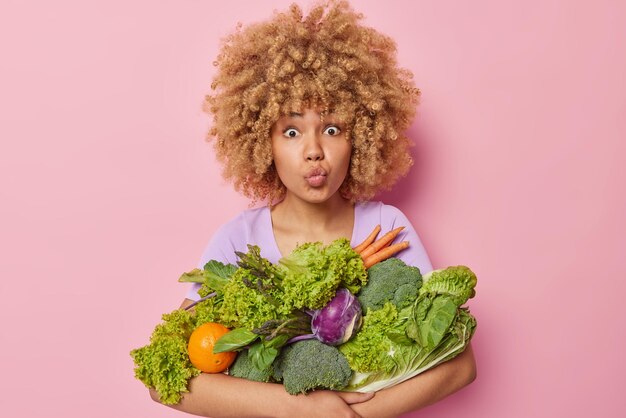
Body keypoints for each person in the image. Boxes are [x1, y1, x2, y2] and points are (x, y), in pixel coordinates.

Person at [149, 2, 476, 417]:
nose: (314, 151)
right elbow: (164, 381)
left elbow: (460, 365)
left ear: (361, 137)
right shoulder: (237, 242)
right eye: (290, 131)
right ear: (261, 143)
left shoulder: (387, 228)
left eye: (333, 129)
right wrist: (296, 409)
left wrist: (348, 416)